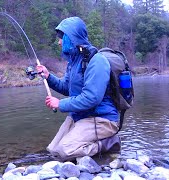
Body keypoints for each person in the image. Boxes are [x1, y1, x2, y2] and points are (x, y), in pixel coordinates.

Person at [36, 17, 121, 161]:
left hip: (102, 119)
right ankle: (85, 146)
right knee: (54, 151)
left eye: (62, 37)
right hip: (79, 116)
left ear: (71, 37)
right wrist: (48, 76)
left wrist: (60, 104)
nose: (59, 42)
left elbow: (92, 98)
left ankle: (109, 143)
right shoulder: (74, 61)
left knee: (65, 151)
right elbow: (67, 87)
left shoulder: (97, 61)